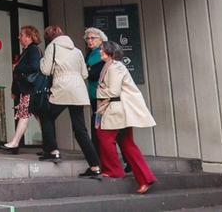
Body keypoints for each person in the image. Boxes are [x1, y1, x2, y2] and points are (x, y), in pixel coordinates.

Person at [39, 25, 102, 177]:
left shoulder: (51, 47)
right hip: (78, 90)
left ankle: (53, 151)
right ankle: (95, 166)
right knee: (80, 129)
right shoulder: (77, 50)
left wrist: (43, 61)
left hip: (62, 87)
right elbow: (85, 74)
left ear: (49, 38)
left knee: (46, 115)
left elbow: (45, 70)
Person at [95, 41, 157, 194]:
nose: (100, 52)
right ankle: (146, 178)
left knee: (104, 137)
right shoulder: (112, 66)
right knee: (127, 143)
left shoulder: (115, 67)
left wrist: (98, 92)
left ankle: (115, 170)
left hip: (116, 110)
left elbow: (113, 91)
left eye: (102, 50)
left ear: (110, 51)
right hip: (119, 110)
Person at [0, 26, 42, 154]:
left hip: (30, 89)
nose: (19, 37)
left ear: (29, 37)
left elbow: (34, 66)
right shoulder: (28, 50)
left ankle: (15, 142)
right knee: (40, 117)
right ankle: (51, 146)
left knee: (24, 114)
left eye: (22, 35)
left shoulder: (32, 50)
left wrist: (17, 68)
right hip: (32, 89)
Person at [83, 27, 108, 136]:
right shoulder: (90, 54)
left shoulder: (103, 53)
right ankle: (97, 150)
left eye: (93, 38)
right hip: (94, 93)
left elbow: (93, 74)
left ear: (101, 39)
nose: (89, 40)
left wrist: (88, 70)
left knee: (99, 121)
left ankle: (98, 150)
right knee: (96, 120)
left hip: (103, 94)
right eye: (87, 38)